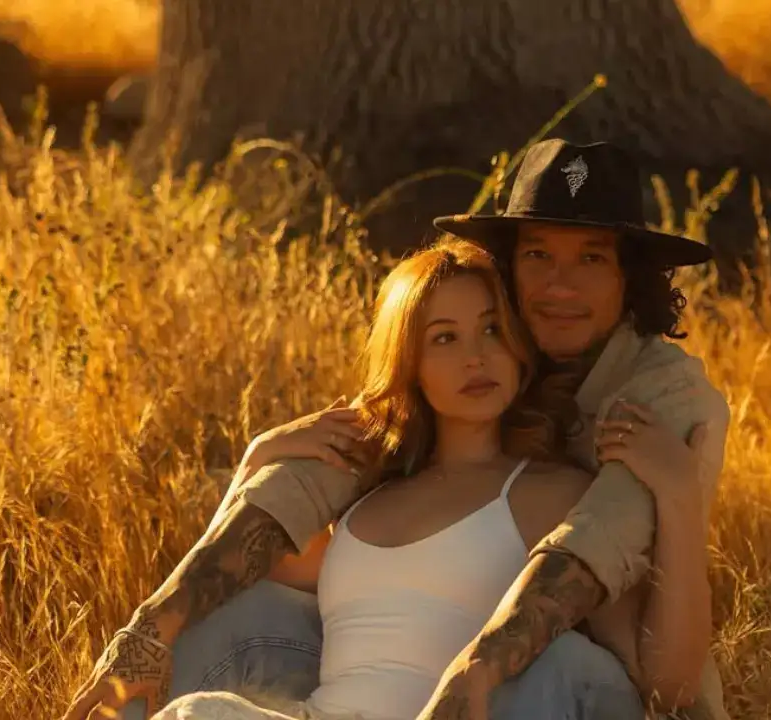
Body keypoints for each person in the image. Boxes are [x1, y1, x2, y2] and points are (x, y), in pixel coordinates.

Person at [62, 139, 731, 719]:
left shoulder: (647, 410)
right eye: (537, 255)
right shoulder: (383, 482)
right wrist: (257, 459)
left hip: (524, 692)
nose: (560, 284)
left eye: (591, 258)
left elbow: (654, 664)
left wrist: (678, 498)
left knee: (562, 662)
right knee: (218, 636)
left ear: (628, 279)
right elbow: (261, 552)